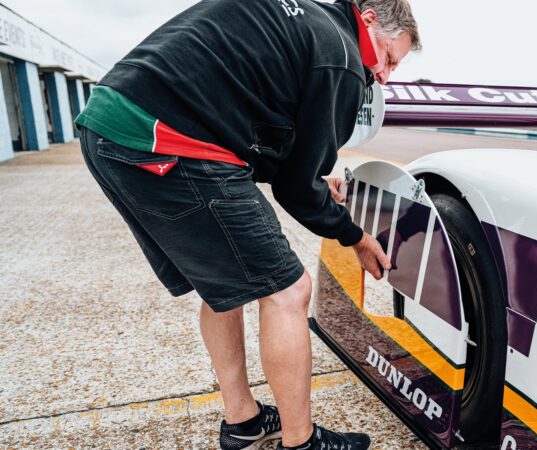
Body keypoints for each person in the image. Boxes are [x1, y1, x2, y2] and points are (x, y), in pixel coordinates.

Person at [75, 0, 420, 448]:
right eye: (390, 58)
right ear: (368, 19)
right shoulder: (342, 57)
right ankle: (301, 440)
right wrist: (353, 235)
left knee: (225, 287)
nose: (385, 76)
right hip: (166, 141)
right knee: (288, 290)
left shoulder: (304, 20)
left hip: (110, 124)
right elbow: (296, 191)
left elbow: (259, 133)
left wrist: (310, 176)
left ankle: (243, 422)